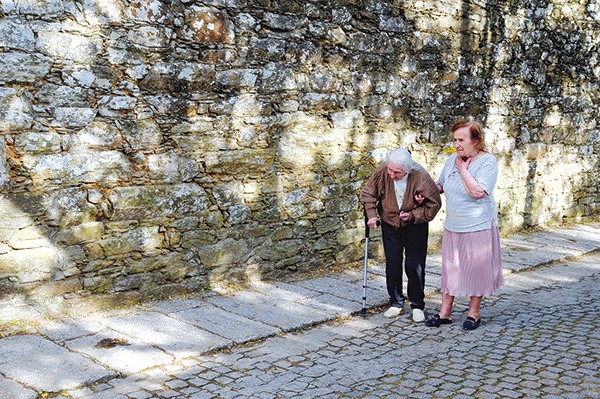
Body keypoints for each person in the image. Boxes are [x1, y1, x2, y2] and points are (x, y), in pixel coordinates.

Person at [425, 119, 504, 331]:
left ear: (476, 141)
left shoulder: (488, 162)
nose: (457, 144)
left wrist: (464, 171)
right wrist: (424, 191)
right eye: (454, 140)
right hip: (454, 224)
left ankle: (473, 314)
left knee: (476, 269)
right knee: (450, 269)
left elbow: (478, 192)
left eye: (461, 140)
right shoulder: (452, 159)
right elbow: (440, 185)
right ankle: (445, 313)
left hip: (478, 224)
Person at [361, 148, 442, 322]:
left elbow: (434, 204)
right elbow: (368, 193)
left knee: (415, 265)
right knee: (392, 262)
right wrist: (372, 215)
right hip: (390, 224)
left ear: (407, 169)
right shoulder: (383, 171)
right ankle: (396, 302)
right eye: (390, 170)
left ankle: (417, 304)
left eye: (396, 172)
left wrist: (413, 215)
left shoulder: (420, 176)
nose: (391, 174)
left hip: (415, 226)